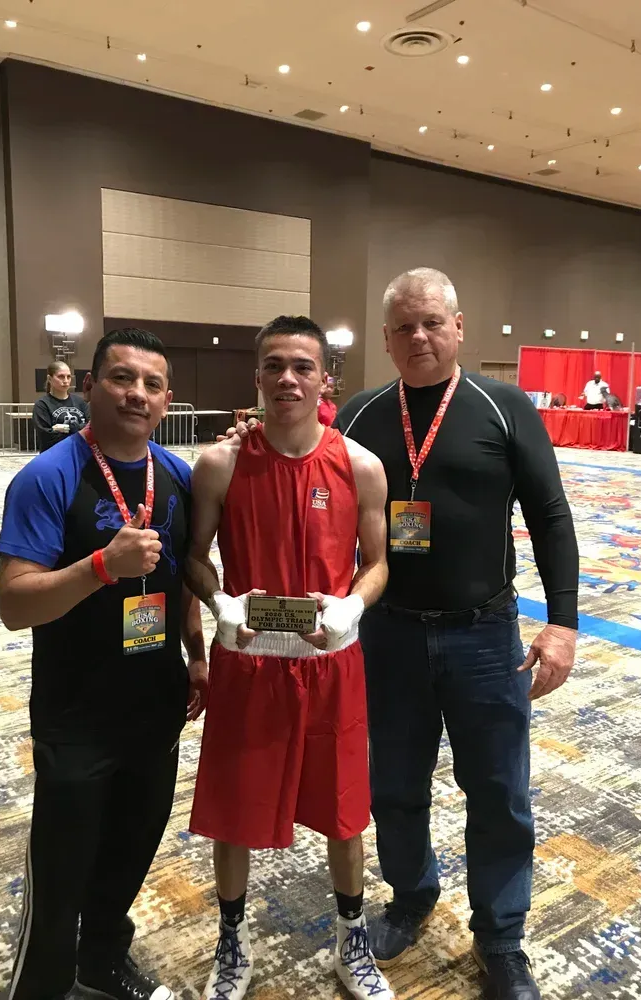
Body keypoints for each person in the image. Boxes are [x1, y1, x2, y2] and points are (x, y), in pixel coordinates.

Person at [223, 271, 579, 1000]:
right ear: (385, 339)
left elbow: (551, 516)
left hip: (484, 633)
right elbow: (289, 449)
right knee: (391, 784)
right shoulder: (358, 415)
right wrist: (244, 432)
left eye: (431, 323)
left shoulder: (503, 407)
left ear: (458, 326)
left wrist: (564, 622)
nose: (419, 337)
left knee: (499, 789)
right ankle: (412, 896)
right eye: (403, 328)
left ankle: (501, 937)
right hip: (384, 634)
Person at [185, 315, 395, 1000]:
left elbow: (379, 563)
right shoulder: (220, 463)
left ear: (324, 378)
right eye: (274, 365)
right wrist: (220, 604)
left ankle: (351, 940)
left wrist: (352, 608)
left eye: (302, 366)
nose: (287, 378)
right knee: (234, 808)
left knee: (343, 809)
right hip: (249, 660)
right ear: (256, 378)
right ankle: (231, 942)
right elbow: (193, 560)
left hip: (331, 661)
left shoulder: (361, 465)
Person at [0, 327, 208, 1000]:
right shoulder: (47, 477)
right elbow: (15, 605)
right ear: (89, 387)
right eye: (121, 378)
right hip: (76, 713)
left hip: (156, 704)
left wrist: (197, 657)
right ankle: (43, 986)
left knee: (130, 852)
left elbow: (182, 582)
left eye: (150, 384)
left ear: (167, 398)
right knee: (62, 871)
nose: (135, 394)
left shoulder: (175, 476)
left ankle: (102, 964)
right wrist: (98, 568)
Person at [32, 360, 90, 451]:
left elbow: (91, 428)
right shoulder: (42, 405)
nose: (66, 381)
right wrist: (79, 429)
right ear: (50, 379)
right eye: (61, 377)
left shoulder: (80, 402)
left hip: (79, 452)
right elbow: (46, 436)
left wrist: (66, 428)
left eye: (68, 377)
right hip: (54, 454)